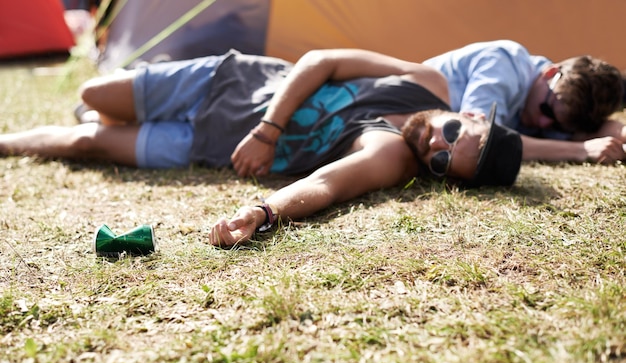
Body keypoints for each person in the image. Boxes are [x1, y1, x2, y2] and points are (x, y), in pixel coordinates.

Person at [0, 49, 522, 247]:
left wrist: (263, 211)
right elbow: (321, 60)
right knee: (95, 94)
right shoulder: (427, 79)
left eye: (440, 162)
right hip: (230, 82)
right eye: (451, 135)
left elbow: (325, 184)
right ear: (470, 113)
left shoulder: (390, 155)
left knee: (89, 142)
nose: (434, 143)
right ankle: (110, 107)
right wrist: (270, 129)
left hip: (211, 144)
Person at [424, 40, 626, 164]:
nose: (543, 125)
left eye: (557, 125)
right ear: (550, 72)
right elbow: (480, 140)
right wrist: (580, 150)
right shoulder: (504, 63)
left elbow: (594, 131)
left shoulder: (552, 98)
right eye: (547, 110)